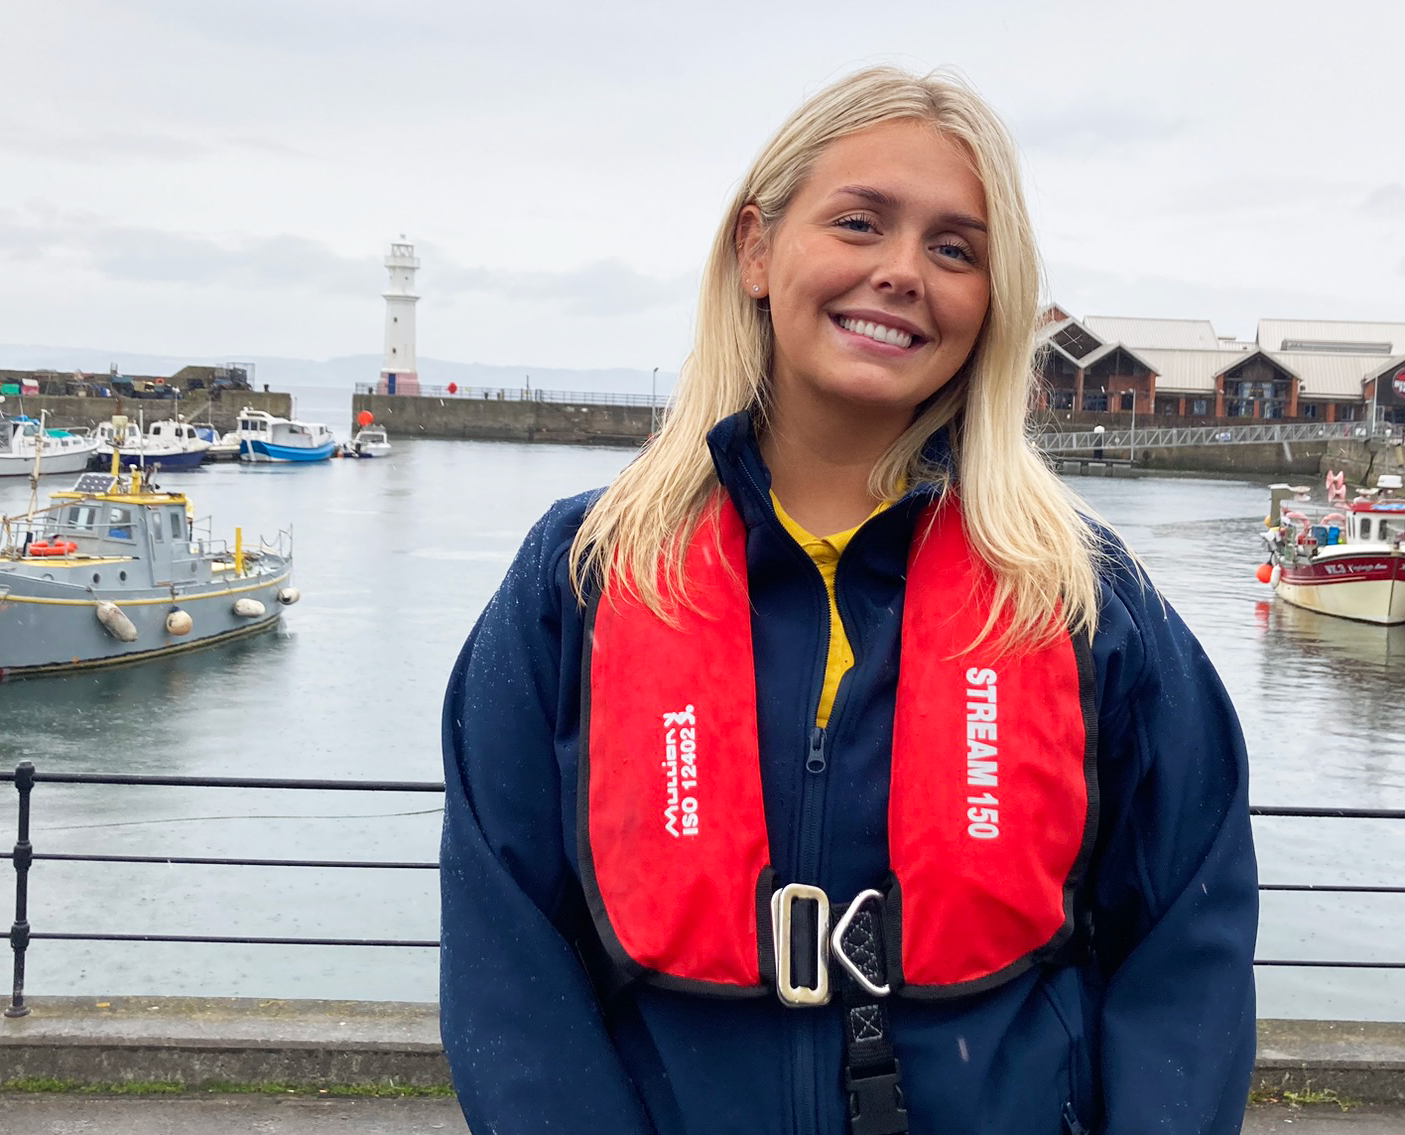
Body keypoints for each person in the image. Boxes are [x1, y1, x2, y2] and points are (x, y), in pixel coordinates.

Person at [440, 66, 1258, 1135]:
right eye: (860, 222)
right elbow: (510, 966)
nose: (903, 273)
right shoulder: (582, 578)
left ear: (992, 300)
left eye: (956, 248)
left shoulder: (1086, 601)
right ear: (756, 252)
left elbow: (1185, 951)